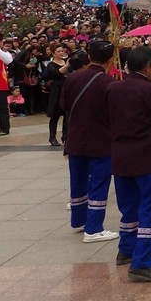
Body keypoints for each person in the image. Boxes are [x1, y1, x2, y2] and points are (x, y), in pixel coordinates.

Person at [106, 46, 151, 282]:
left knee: (129, 207)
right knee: (149, 208)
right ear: (148, 67)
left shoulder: (112, 88)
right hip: (146, 156)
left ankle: (126, 250)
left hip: (120, 155)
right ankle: (143, 262)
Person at [59, 40, 120, 243]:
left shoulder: (73, 78)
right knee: (99, 183)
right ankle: (93, 229)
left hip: (75, 138)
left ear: (89, 56)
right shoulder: (109, 83)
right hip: (100, 141)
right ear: (110, 60)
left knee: (78, 180)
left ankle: (79, 219)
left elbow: (64, 105)